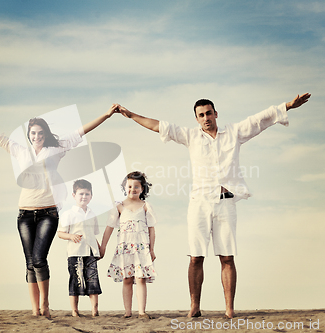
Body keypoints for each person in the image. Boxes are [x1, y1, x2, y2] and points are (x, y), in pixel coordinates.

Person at [117, 93, 311, 319]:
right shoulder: (190, 136)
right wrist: (130, 115)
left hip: (225, 203)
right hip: (199, 203)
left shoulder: (234, 133)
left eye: (209, 113)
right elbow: (159, 126)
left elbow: (260, 120)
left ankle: (229, 309)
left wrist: (287, 106)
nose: (206, 117)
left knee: (227, 257)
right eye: (201, 115)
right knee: (195, 257)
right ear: (196, 119)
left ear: (216, 114)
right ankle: (194, 306)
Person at [0, 104, 119, 318]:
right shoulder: (20, 151)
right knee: (29, 262)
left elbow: (81, 131)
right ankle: (35, 309)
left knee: (39, 258)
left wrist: (106, 115)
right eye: (33, 133)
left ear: (45, 134)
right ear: (29, 135)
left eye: (40, 133)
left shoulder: (56, 149)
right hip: (24, 213)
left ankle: (45, 303)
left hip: (48, 213)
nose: (37, 136)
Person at [100, 171, 157, 319]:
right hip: (125, 248)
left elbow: (151, 229)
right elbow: (109, 227)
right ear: (125, 187)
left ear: (142, 189)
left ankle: (142, 311)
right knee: (127, 278)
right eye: (130, 186)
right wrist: (103, 246)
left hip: (141, 248)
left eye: (137, 186)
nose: (133, 189)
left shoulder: (145, 206)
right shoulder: (119, 206)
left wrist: (151, 249)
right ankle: (127, 312)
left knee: (140, 278)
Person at [57, 179, 102, 317]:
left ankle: (94, 311)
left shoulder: (92, 214)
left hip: (90, 252)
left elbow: (93, 235)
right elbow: (60, 233)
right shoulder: (68, 214)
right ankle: (75, 311)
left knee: (93, 281)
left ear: (91, 196)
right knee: (76, 280)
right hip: (75, 253)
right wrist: (71, 236)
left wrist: (99, 249)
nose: (84, 197)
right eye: (81, 193)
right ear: (74, 195)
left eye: (87, 194)